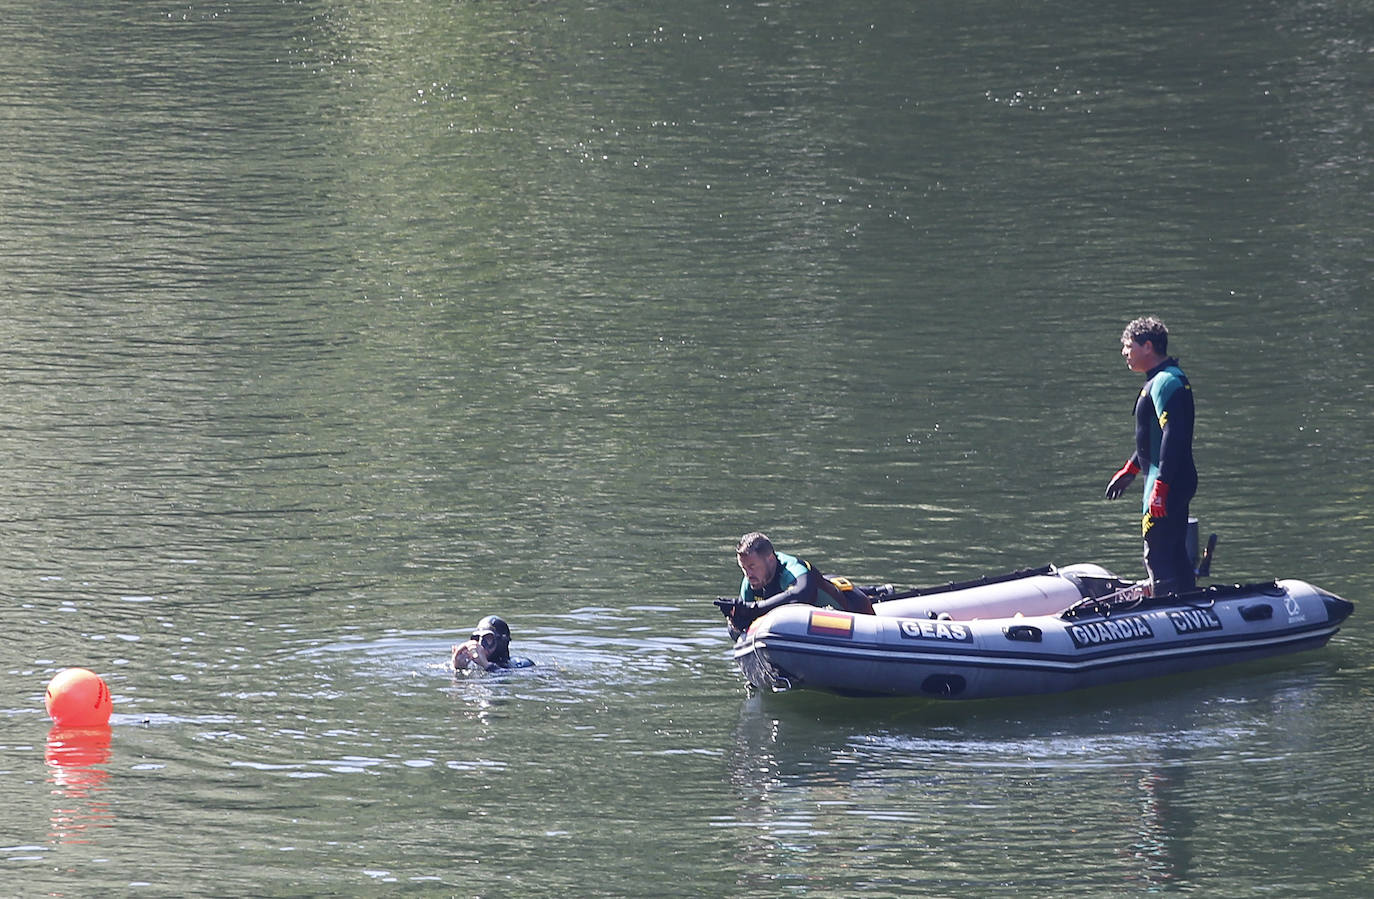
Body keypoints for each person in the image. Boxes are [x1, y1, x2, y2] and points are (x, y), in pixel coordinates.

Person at [1104, 316, 1199, 595]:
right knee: (1173, 551)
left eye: (1128, 345)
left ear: (1147, 346)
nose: (1124, 352)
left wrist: (1161, 486)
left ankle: (1170, 612)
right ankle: (1185, 600)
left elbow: (1174, 435)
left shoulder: (1167, 382)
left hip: (1165, 482)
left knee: (1158, 553)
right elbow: (1154, 440)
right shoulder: (1162, 380)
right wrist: (1131, 469)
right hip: (1168, 479)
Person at [720, 532, 873, 634]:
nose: (748, 574)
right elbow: (743, 621)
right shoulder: (751, 582)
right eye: (743, 568)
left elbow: (802, 594)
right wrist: (736, 620)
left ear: (770, 559)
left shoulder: (792, 568)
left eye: (752, 566)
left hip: (855, 607)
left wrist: (754, 609)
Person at [451, 615, 534, 672]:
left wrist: (486, 665)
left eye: (488, 639)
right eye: (476, 639)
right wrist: (458, 668)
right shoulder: (474, 667)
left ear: (502, 641)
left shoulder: (522, 664)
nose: (480, 644)